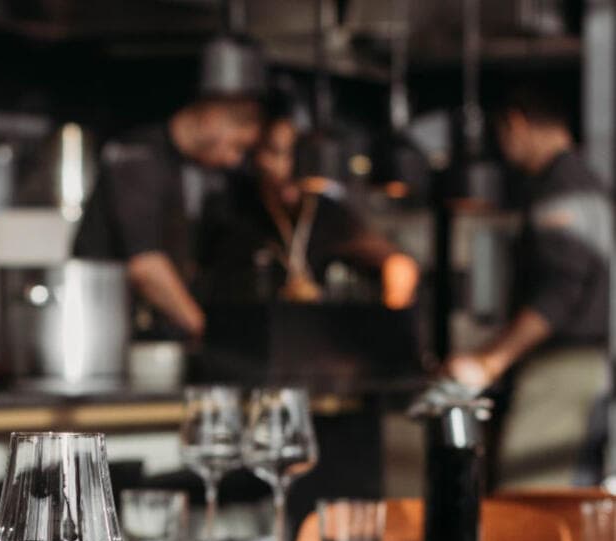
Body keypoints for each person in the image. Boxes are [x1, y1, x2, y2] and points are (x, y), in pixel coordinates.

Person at [445, 84, 611, 486]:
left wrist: (491, 360)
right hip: (583, 366)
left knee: (529, 496)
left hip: (565, 367)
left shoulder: (563, 187)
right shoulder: (584, 181)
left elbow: (562, 290)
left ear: (515, 124)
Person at [198, 91, 419, 309]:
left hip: (308, 326)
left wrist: (392, 309)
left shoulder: (326, 213)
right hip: (243, 325)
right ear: (258, 154)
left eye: (297, 154)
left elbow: (399, 263)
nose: (289, 167)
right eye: (277, 152)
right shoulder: (232, 207)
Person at [72, 96, 262, 339]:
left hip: (143, 331)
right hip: (102, 328)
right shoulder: (139, 155)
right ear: (212, 119)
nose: (234, 160)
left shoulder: (189, 168)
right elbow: (145, 267)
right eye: (237, 146)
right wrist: (206, 330)